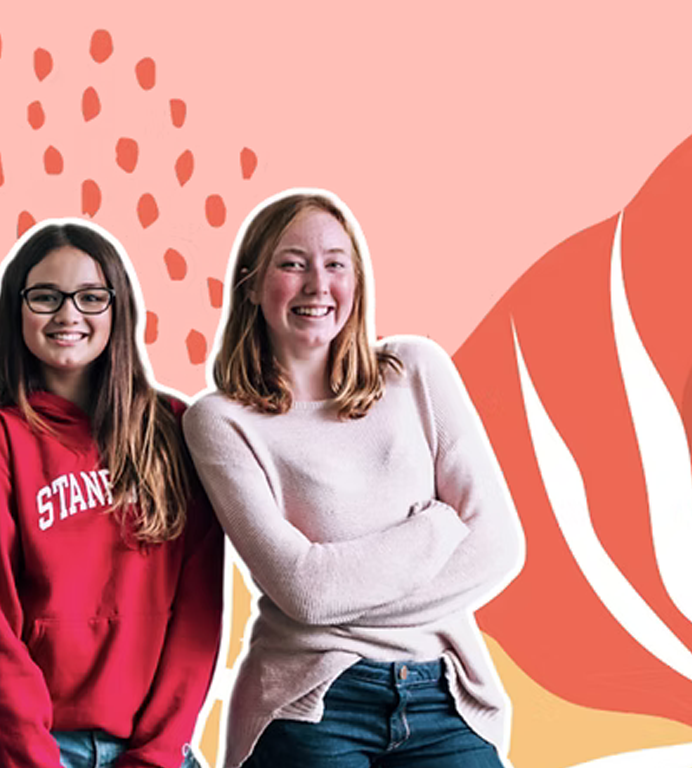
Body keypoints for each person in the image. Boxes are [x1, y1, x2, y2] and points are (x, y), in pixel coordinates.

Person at [183, 190, 524, 767]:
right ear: (250, 283)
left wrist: (345, 590)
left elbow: (500, 548)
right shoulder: (220, 420)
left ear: (357, 281)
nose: (318, 284)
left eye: (336, 263)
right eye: (293, 263)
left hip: (446, 695)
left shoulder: (418, 370)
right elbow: (306, 591)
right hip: (312, 699)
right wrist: (440, 526)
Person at [0, 220, 223, 768]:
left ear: (119, 310)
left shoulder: (170, 430)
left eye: (91, 297)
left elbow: (198, 613)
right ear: (16, 310)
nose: (69, 314)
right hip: (21, 750)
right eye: (45, 297)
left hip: (154, 752)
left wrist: (157, 754)